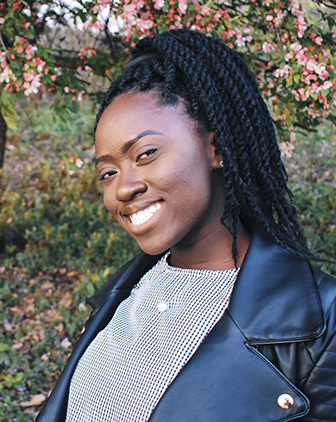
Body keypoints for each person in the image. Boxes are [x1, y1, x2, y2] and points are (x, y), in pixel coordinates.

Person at [36, 29, 336, 422]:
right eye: (108, 172)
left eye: (145, 154)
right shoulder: (126, 291)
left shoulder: (320, 324)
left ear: (218, 149)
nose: (123, 188)